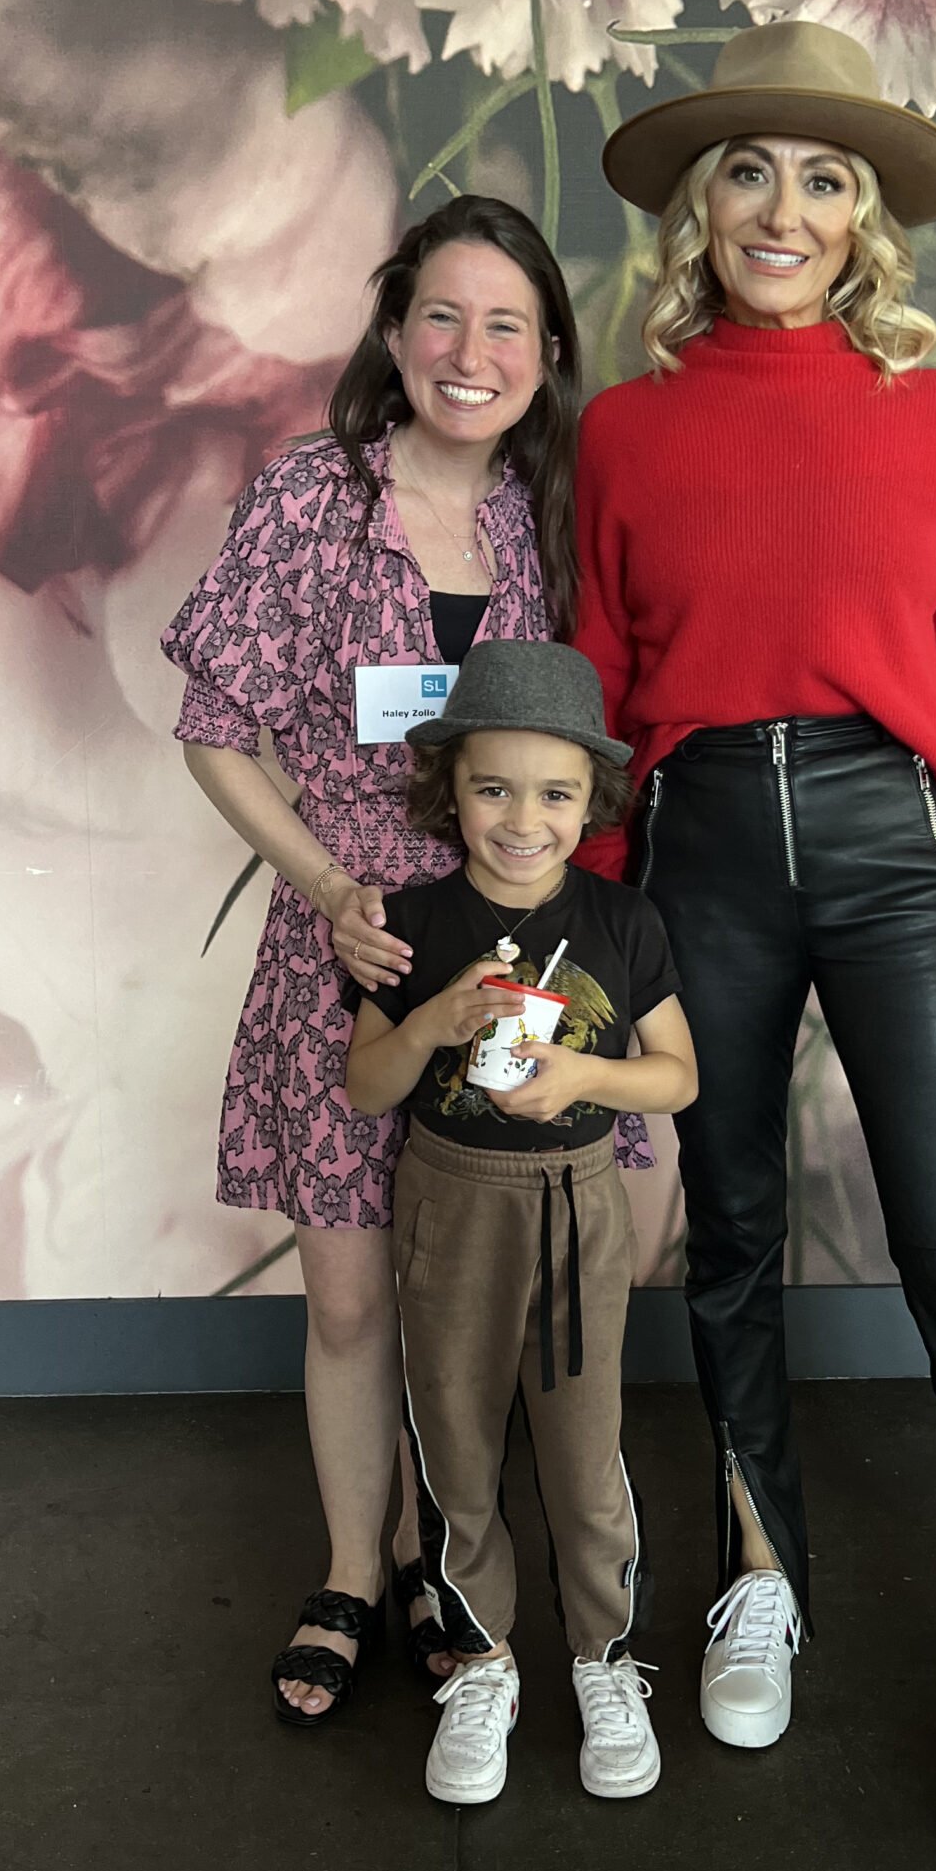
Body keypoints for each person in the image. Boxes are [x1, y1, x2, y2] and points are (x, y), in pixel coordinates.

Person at [575, 22, 936, 1871]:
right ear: (699, 209)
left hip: (899, 852)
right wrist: (605, 926)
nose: (777, 208)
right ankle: (760, 1581)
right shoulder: (625, 433)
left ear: (860, 217)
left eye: (819, 177)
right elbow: (606, 687)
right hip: (702, 850)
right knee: (729, 1238)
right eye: (746, 172)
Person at [163, 194, 642, 1727]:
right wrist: (323, 883)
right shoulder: (311, 497)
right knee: (356, 1298)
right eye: (443, 314)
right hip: (356, 959)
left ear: (547, 354)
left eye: (508, 324)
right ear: (392, 332)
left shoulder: (546, 519)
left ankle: (457, 1560)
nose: (471, 349)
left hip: (526, 966)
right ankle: (352, 1576)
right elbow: (214, 728)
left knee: (495, 1296)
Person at [344, 641, 697, 1806]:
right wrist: (439, 1017)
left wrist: (581, 1080)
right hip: (448, 1205)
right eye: (494, 788)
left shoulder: (624, 921)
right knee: (454, 1441)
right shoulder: (406, 923)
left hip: (579, 1207)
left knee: (583, 1451)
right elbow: (365, 1087)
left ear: (590, 801)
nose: (523, 819)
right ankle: (485, 1658)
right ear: (449, 787)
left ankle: (602, 1656)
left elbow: (677, 1077)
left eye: (554, 794)